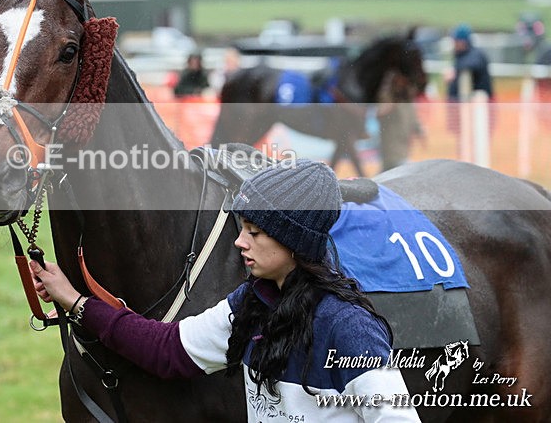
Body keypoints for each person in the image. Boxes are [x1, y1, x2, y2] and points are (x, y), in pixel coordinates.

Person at [32, 160, 420, 422]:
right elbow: (165, 348)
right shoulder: (251, 304)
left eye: (255, 232)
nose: (239, 243)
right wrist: (76, 302)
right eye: (241, 229)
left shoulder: (349, 329)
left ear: (293, 242)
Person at [445, 24, 493, 101]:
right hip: (458, 106)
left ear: (463, 41)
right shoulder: (460, 55)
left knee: (478, 96)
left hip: (478, 105)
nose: (454, 44)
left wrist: (454, 71)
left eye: (456, 41)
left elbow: (473, 63)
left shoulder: (477, 54)